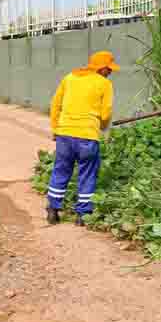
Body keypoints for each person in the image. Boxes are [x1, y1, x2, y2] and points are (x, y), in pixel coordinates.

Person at [46, 51, 119, 227]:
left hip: (65, 133)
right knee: (87, 173)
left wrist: (55, 128)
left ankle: (53, 208)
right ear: (102, 69)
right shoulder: (104, 84)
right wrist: (101, 126)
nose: (110, 72)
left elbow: (55, 104)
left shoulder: (70, 78)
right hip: (87, 136)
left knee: (61, 170)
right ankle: (82, 215)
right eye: (109, 69)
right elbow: (106, 111)